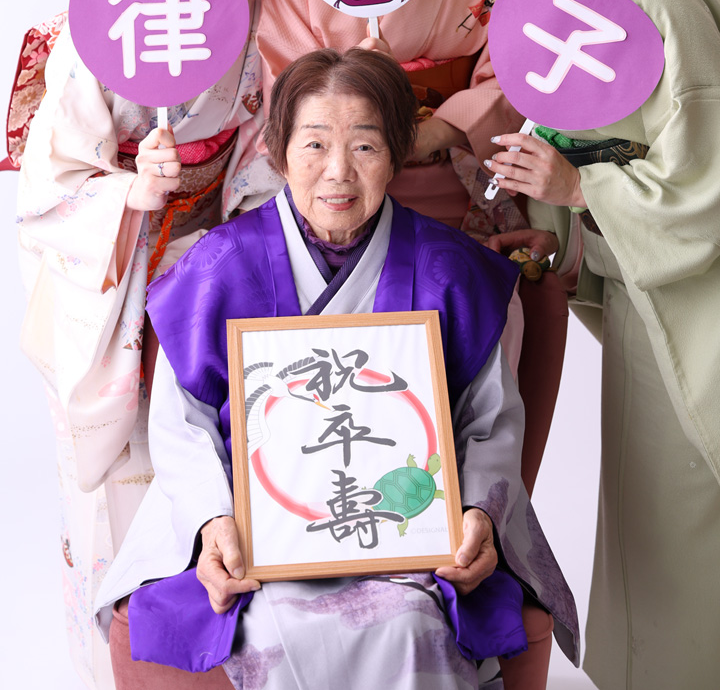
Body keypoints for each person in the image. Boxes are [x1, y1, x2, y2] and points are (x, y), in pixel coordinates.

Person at [95, 48, 579, 690]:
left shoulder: (448, 268)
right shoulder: (219, 265)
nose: (338, 172)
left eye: (366, 147)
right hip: (254, 532)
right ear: (278, 151)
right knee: (270, 630)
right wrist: (213, 522)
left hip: (409, 539)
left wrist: (478, 515)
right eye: (315, 144)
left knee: (408, 624)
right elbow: (182, 424)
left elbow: (488, 423)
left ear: (399, 152)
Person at [16, 0, 295, 689]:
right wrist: (131, 194)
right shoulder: (109, 22)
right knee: (121, 506)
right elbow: (48, 188)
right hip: (114, 291)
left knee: (217, 489)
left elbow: (254, 162)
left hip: (206, 286)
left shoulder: (258, 17)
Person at [462, 0, 720, 690]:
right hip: (647, 290)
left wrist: (581, 194)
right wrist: (561, 229)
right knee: (654, 513)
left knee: (691, 513)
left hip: (698, 299)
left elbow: (707, 176)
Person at [258, 0, 569, 494]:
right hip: (343, 200)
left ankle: (475, 531)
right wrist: (353, 116)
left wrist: (438, 127)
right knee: (353, 414)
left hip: (463, 187)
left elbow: (521, 63)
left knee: (471, 404)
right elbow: (281, 84)